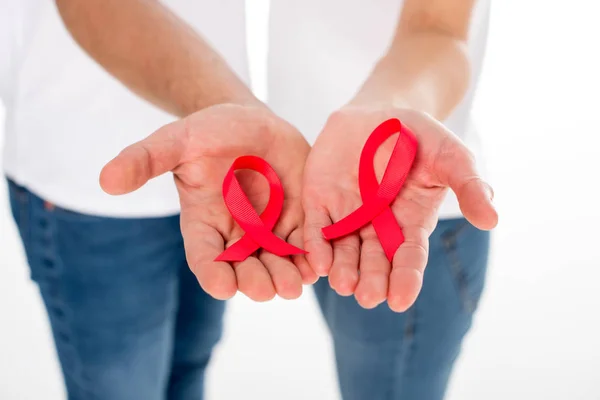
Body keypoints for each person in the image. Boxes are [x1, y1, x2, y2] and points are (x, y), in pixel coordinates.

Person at [1, 0, 497, 399]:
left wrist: (387, 112)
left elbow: (438, 24)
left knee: (188, 363)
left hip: (341, 186)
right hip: (137, 177)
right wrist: (228, 107)